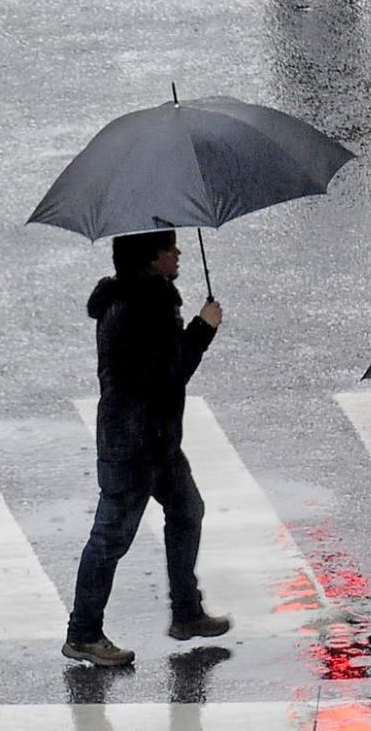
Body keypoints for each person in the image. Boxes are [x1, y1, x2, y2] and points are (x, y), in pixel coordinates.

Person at [62, 230, 229, 667]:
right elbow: (169, 373)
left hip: (154, 442)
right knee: (110, 538)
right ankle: (83, 632)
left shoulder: (139, 298)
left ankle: (186, 612)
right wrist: (203, 328)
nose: (178, 253)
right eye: (170, 248)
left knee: (187, 509)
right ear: (152, 259)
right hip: (134, 446)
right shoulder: (144, 307)